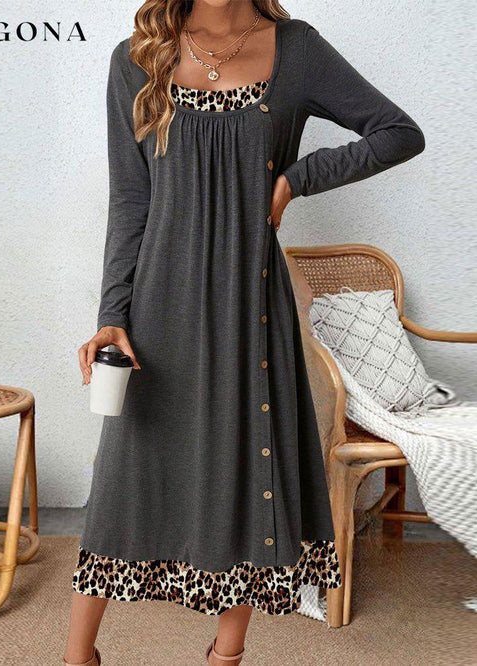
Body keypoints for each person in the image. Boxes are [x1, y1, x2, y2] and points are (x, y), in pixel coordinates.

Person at [65, 1, 425, 664]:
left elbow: (398, 133)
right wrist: (112, 314)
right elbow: (131, 198)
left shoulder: (296, 48)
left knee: (245, 465)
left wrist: (295, 180)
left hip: (250, 301)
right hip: (158, 304)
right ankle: (77, 655)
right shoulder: (138, 56)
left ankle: (224, 655)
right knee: (127, 474)